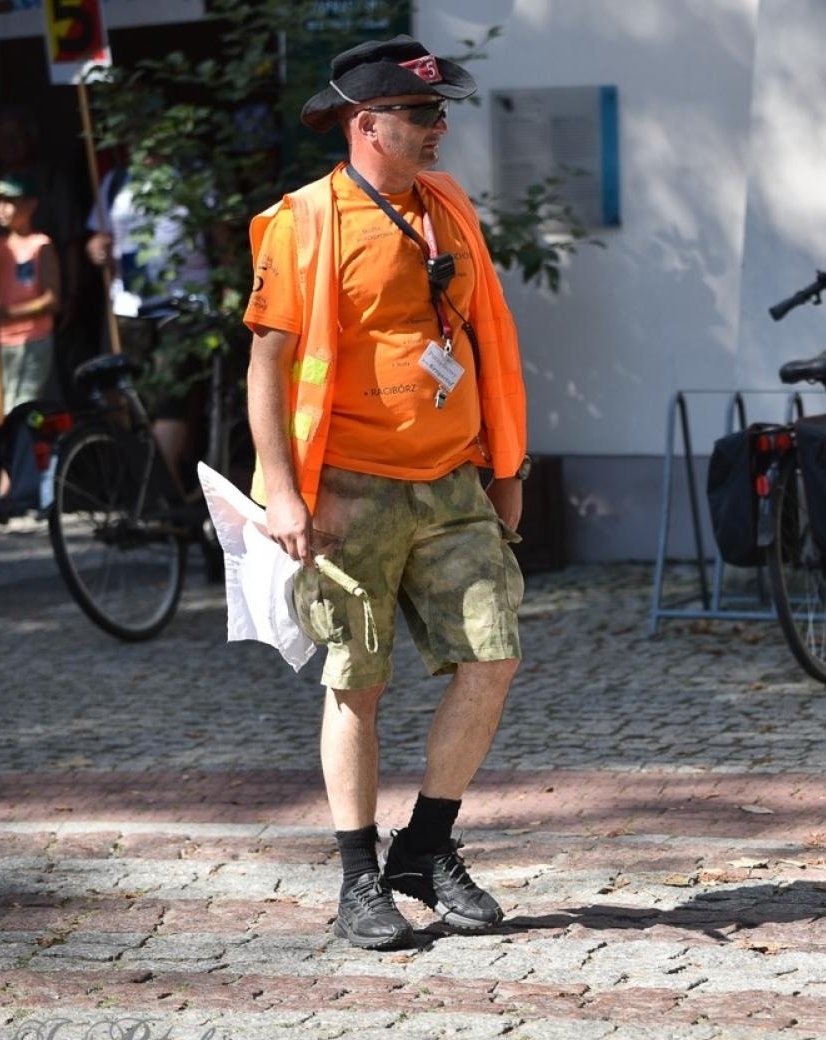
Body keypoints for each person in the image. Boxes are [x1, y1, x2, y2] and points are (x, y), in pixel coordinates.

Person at [243, 35, 530, 951]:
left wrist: (508, 465)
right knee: (356, 684)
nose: (442, 127)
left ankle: (427, 847)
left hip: (450, 479)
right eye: (424, 114)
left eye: (441, 111)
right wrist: (282, 491)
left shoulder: (447, 206)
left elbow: (486, 332)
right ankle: (359, 879)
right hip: (347, 491)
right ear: (369, 125)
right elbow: (269, 363)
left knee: (492, 658)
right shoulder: (304, 221)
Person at [84, 154, 213, 485]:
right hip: (128, 307)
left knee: (172, 398)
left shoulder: (192, 172)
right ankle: (141, 486)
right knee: (127, 398)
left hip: (183, 305)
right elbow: (97, 235)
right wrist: (96, 247)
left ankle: (157, 489)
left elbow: (221, 234)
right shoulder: (116, 179)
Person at [0, 174, 61, 522]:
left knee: (25, 413)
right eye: (0, 203)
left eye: (11, 202)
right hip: (0, 343)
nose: (4, 209)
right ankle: (7, 491)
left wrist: (12, 312)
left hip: (33, 339)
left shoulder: (41, 244)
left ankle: (31, 491)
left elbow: (54, 298)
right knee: (6, 418)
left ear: (30, 205)